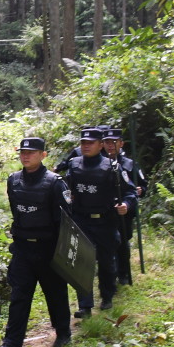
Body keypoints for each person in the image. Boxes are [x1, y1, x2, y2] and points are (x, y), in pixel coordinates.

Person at [0, 138, 73, 347]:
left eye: (31, 152)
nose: (25, 156)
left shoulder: (55, 183)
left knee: (55, 293)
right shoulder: (13, 180)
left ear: (43, 155)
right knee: (19, 296)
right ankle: (11, 345)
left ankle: (63, 332)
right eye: (23, 152)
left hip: (49, 249)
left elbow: (65, 221)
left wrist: (61, 253)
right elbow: (16, 211)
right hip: (23, 249)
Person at [64, 128, 137, 318]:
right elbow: (67, 189)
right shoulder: (74, 165)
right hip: (81, 220)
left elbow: (130, 192)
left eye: (91, 143)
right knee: (82, 262)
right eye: (83, 143)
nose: (86, 146)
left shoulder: (112, 167)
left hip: (105, 221)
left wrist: (126, 205)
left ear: (101, 145)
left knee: (106, 261)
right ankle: (85, 306)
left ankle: (107, 296)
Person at [103, 127, 148, 285]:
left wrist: (140, 190)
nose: (110, 145)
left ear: (121, 143)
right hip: (106, 210)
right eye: (107, 142)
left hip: (124, 211)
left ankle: (123, 273)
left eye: (114, 142)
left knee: (122, 242)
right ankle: (110, 272)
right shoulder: (100, 164)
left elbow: (143, 185)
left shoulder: (130, 164)